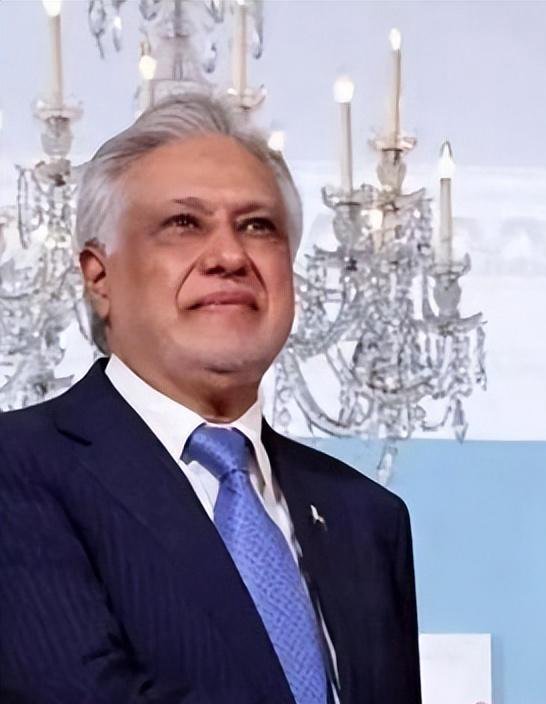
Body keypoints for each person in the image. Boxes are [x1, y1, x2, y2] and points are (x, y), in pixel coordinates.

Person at [0, 94, 421, 704]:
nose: (229, 256)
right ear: (100, 276)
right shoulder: (18, 468)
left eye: (258, 226)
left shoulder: (368, 517)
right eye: (184, 223)